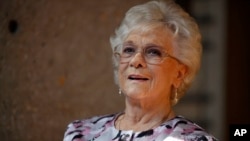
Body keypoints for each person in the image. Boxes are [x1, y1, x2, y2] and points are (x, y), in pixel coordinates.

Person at [63, 0, 218, 141]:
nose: (136, 61)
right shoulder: (80, 133)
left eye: (153, 52)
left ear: (179, 74)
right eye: (129, 50)